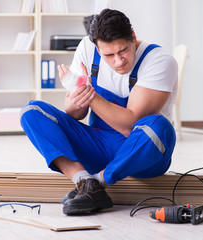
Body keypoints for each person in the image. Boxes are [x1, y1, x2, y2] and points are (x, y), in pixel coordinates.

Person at [20, 8, 178, 215]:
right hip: (98, 144)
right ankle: (84, 181)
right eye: (109, 55)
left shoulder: (159, 60)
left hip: (140, 153)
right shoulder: (86, 48)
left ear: (133, 38)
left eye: (123, 51)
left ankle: (98, 182)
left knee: (159, 127)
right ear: (96, 48)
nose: (118, 61)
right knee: (32, 111)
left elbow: (129, 125)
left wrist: (90, 95)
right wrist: (78, 95)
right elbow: (74, 113)